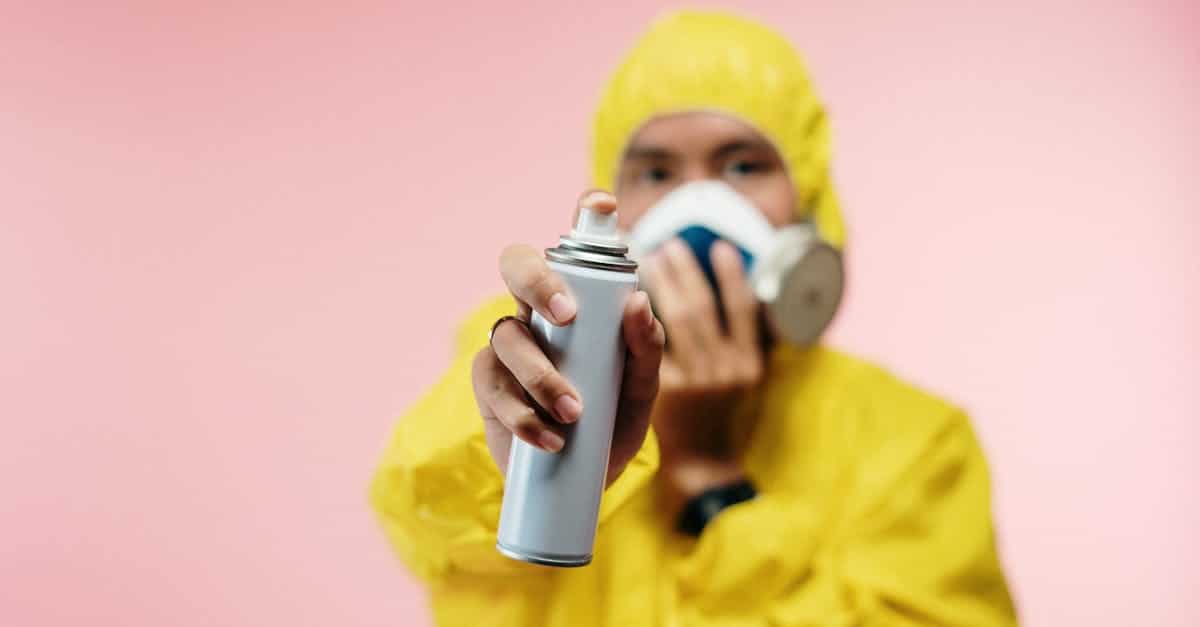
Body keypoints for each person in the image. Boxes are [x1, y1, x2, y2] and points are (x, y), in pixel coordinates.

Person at [370, 10, 1017, 626]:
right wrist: (524, 456)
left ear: (809, 197)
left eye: (742, 166)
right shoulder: (527, 358)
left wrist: (711, 480)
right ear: (614, 205)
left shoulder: (913, 442)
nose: (699, 205)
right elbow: (428, 522)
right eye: (655, 171)